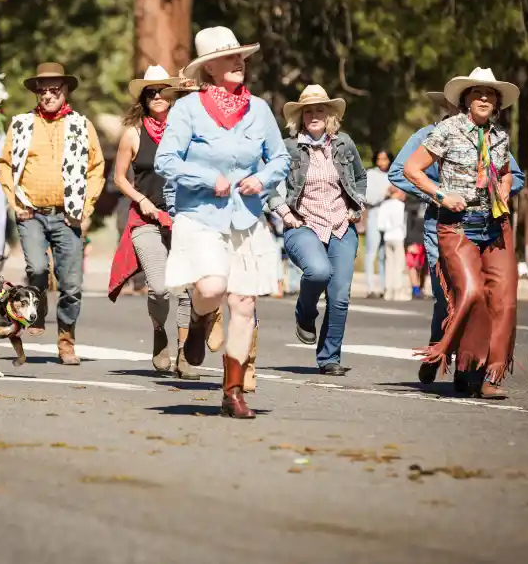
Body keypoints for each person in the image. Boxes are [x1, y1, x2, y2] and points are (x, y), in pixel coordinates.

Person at [156, 26, 289, 418]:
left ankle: (233, 392)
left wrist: (261, 179)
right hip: (200, 214)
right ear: (209, 68)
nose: (238, 62)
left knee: (244, 302)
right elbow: (167, 162)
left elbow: (280, 158)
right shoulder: (188, 109)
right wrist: (204, 178)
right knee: (212, 287)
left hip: (245, 216)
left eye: (241, 56)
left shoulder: (260, 109)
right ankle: (199, 318)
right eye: (229, 56)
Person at [390, 90, 525, 385]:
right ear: (457, 102)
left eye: (490, 96)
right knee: (452, 296)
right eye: (474, 95)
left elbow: (512, 173)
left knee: (494, 299)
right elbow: (402, 171)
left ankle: (476, 371)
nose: (483, 101)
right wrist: (440, 194)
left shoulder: (499, 135)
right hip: (446, 222)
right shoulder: (435, 132)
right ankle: (441, 348)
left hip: (490, 222)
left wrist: (504, 187)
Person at [0, 62, 106, 364]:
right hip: (30, 210)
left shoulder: (81, 125)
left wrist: (87, 209)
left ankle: (66, 340)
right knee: (36, 269)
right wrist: (14, 202)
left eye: (54, 90)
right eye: (42, 90)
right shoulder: (21, 124)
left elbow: (96, 168)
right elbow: (5, 164)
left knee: (71, 284)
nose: (47, 95)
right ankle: (38, 306)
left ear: (66, 90)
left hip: (68, 214)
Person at [108, 65, 200, 379]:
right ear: (144, 99)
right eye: (151, 93)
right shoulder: (133, 133)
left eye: (163, 91)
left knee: (186, 290)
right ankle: (160, 330)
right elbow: (119, 177)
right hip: (146, 219)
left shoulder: (187, 129)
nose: (158, 97)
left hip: (183, 219)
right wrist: (142, 200)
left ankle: (186, 353)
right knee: (160, 289)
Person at [271, 84, 365, 377]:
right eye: (308, 111)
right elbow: (268, 183)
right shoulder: (287, 148)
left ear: (329, 115)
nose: (314, 115)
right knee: (318, 272)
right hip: (303, 223)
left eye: (319, 110)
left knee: (340, 295)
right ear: (299, 116)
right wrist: (285, 213)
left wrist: (356, 207)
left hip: (341, 226)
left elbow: (360, 178)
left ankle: (329, 357)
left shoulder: (344, 144)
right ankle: (305, 313)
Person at [364, 149, 392, 297]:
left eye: (385, 159)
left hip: (390, 218)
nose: (382, 162)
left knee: (384, 253)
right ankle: (370, 287)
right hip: (375, 215)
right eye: (379, 159)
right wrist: (385, 194)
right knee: (372, 252)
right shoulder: (371, 175)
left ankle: (383, 286)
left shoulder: (393, 174)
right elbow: (368, 198)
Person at [378, 186, 409, 301]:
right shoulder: (401, 205)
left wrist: (388, 228)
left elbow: (380, 224)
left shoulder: (384, 205)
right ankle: (398, 291)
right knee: (398, 265)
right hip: (398, 236)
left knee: (389, 264)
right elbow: (403, 223)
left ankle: (388, 290)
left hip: (387, 236)